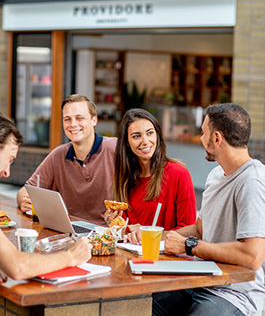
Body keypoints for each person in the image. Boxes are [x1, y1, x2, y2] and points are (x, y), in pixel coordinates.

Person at [152, 103, 265, 316]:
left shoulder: (253, 182)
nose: (201, 138)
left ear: (216, 139)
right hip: (200, 281)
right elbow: (200, 229)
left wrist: (189, 246)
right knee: (140, 305)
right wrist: (157, 236)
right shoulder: (215, 175)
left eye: (203, 133)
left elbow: (253, 256)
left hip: (234, 293)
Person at [0, 113, 91, 282]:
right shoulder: (59, 154)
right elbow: (18, 267)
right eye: (9, 159)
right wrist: (70, 256)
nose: (7, 172)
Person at [17, 94, 117, 226]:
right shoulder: (58, 155)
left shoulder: (115, 149)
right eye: (67, 119)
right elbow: (25, 191)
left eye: (79, 118)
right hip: (69, 231)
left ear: (94, 120)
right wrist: (24, 200)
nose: (73, 124)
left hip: (106, 233)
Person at [106, 108, 196, 244]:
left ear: (157, 135)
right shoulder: (122, 178)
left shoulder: (178, 173)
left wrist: (150, 233)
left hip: (165, 257)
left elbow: (190, 230)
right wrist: (115, 226)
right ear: (126, 143)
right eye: (136, 136)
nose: (145, 141)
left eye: (149, 133)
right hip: (131, 254)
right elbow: (127, 233)